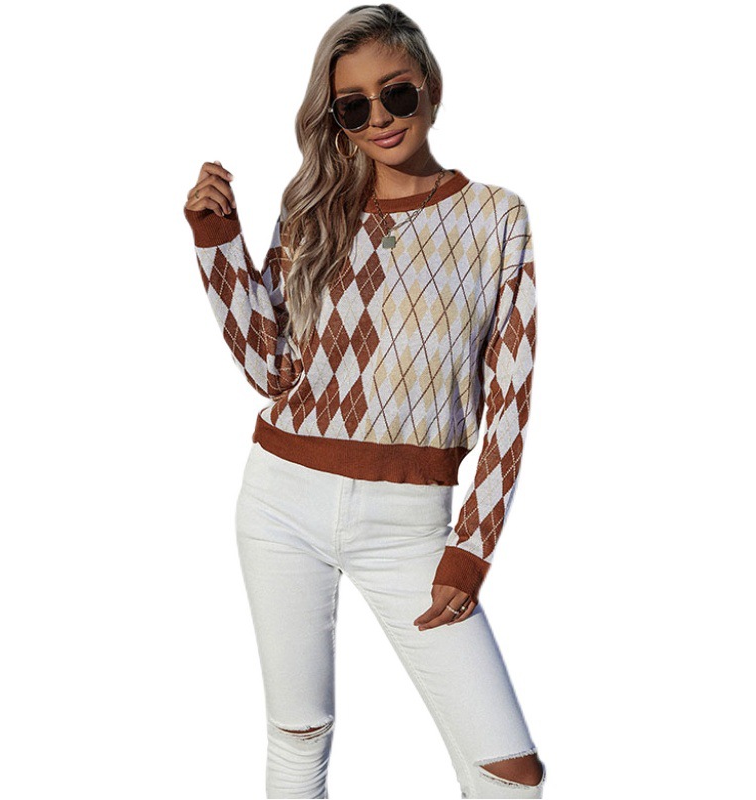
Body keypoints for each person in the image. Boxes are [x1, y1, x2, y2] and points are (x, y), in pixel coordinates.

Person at [182, 4, 545, 798]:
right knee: (298, 736)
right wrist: (218, 242)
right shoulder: (314, 209)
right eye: (354, 106)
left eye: (397, 93)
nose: (380, 117)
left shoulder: (496, 218)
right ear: (337, 118)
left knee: (509, 772)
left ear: (431, 87)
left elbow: (510, 397)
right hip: (280, 501)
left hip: (410, 526)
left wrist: (473, 548)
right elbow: (270, 368)